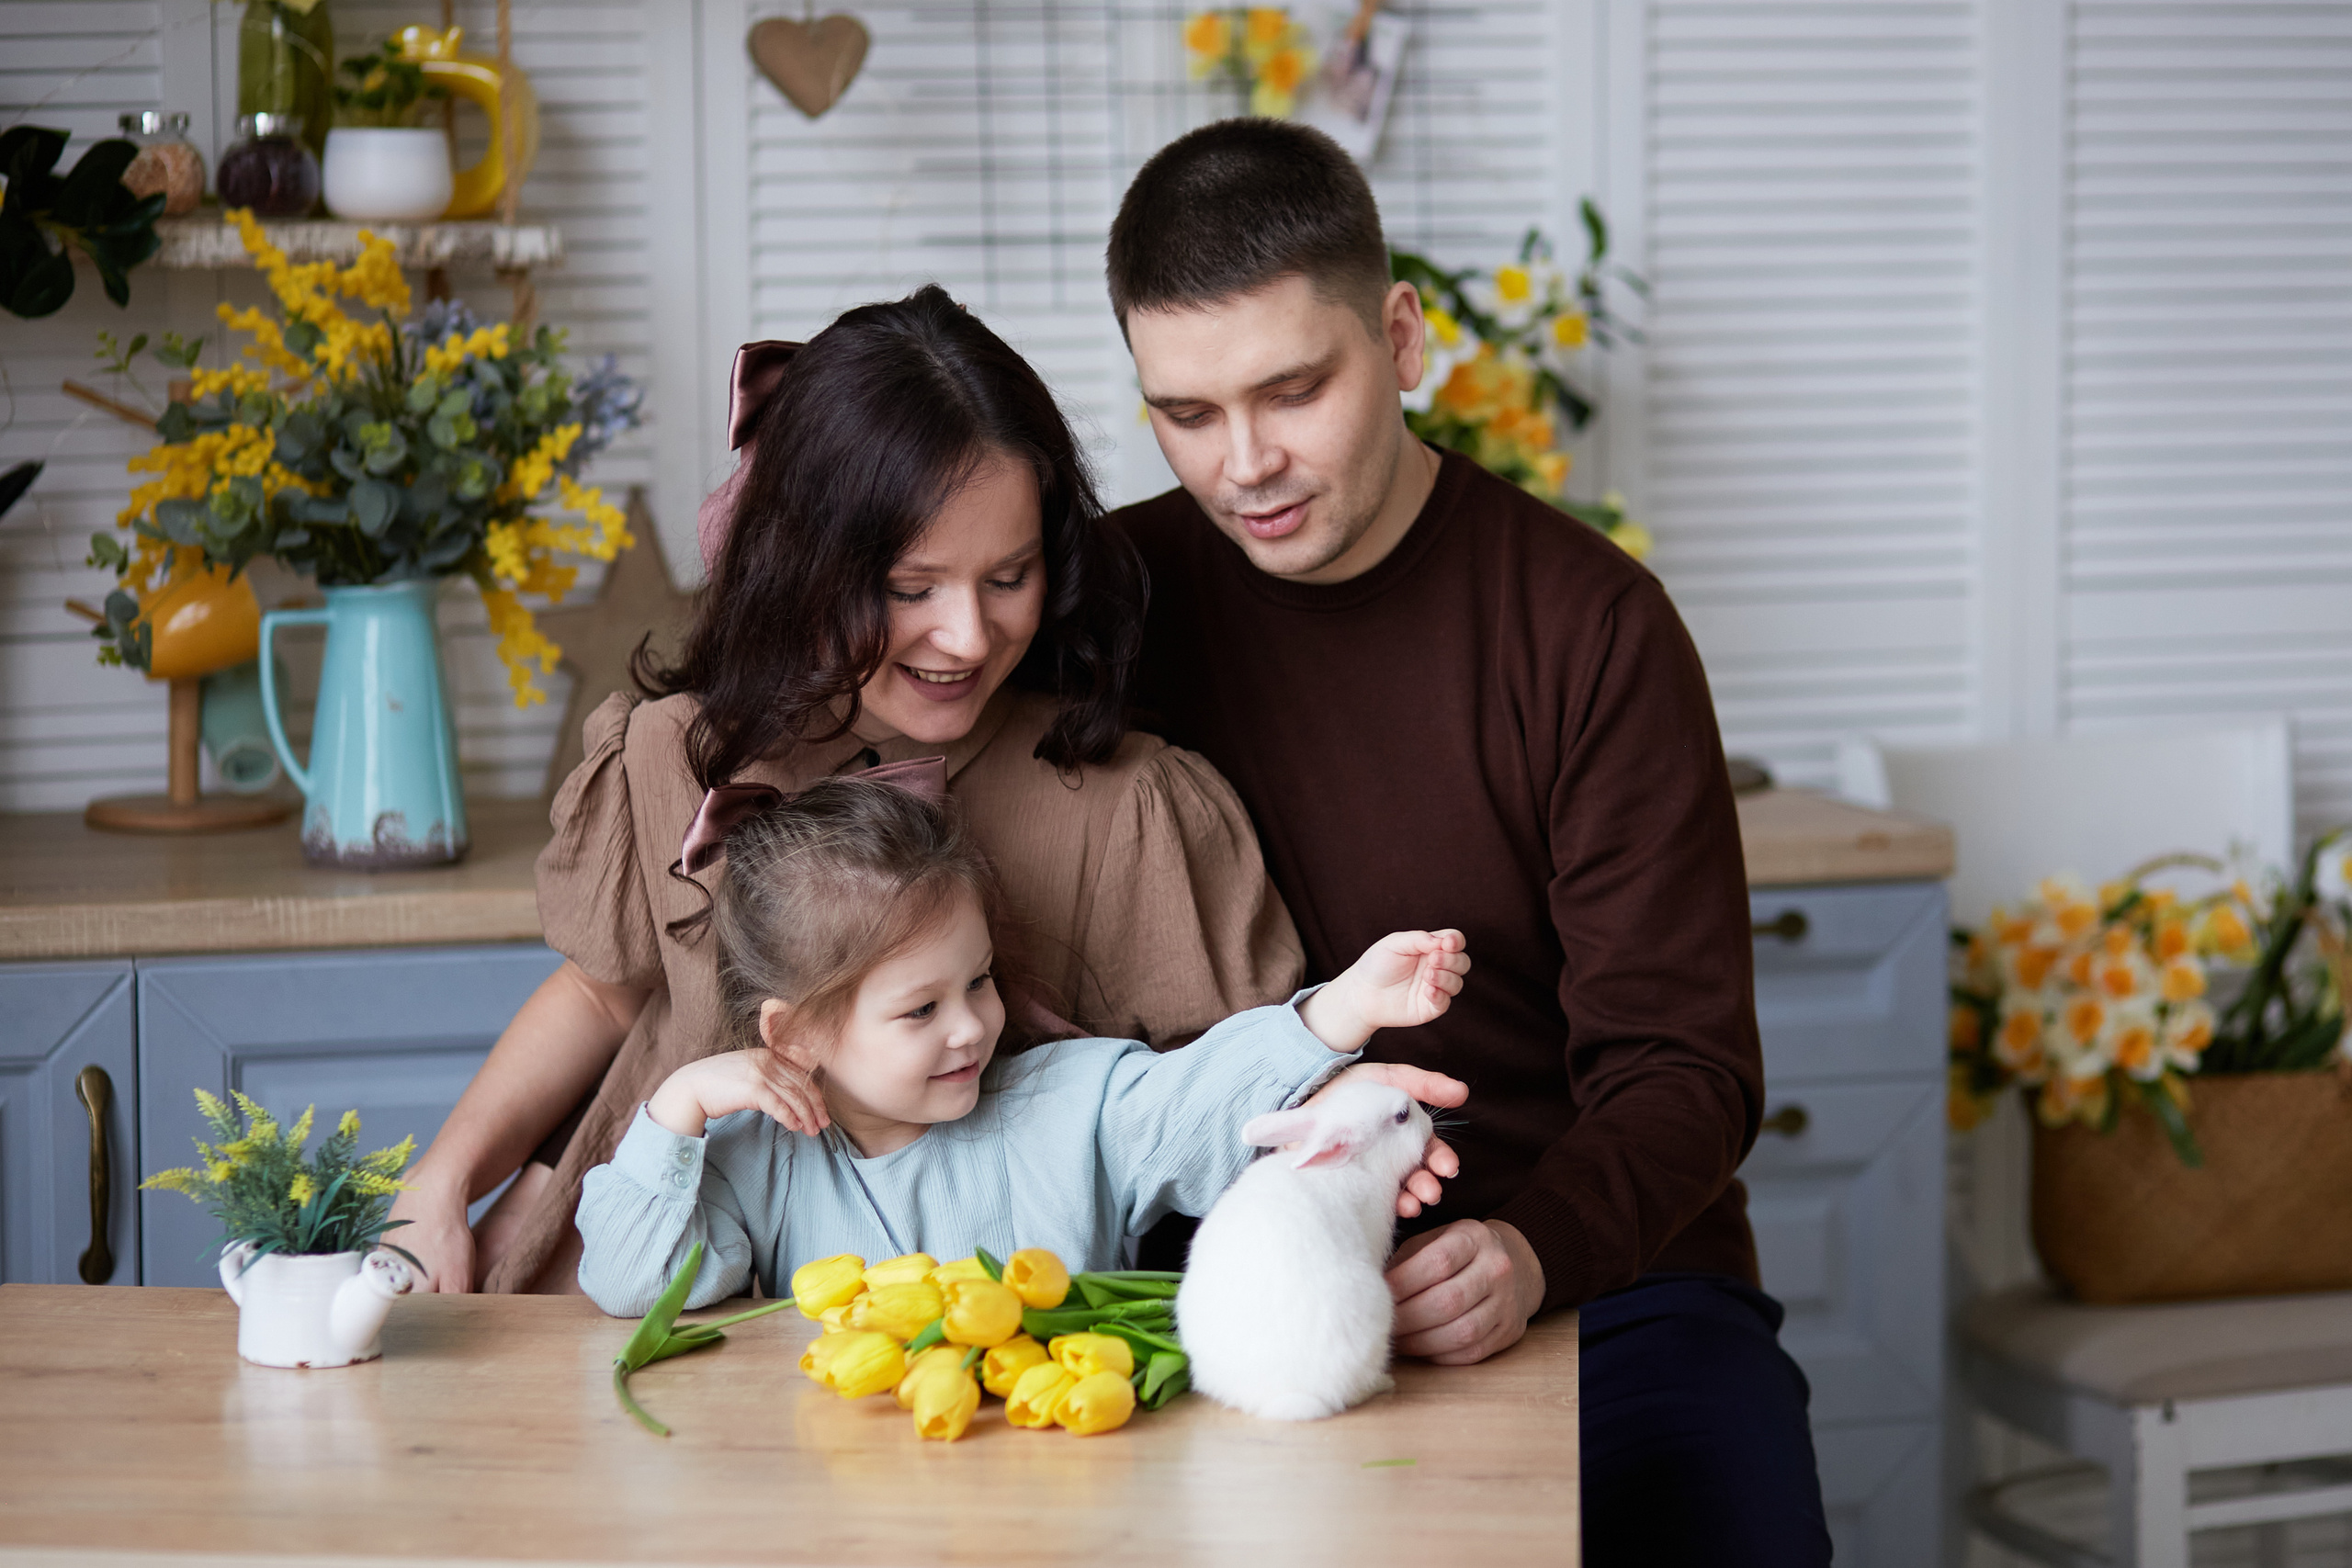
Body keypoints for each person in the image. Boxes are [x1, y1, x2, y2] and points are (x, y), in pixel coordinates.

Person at [1102, 120, 1832, 1563]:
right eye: (1185, 413)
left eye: (1293, 389)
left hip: (1601, 1278)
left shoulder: (1591, 628)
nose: (1245, 464)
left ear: (1402, 335)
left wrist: (1529, 1251)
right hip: (1230, 1288)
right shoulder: (1104, 606)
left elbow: (1684, 1066)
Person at [390, 286, 1329, 1296]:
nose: (968, 638)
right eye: (911, 590)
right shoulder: (673, 751)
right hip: (653, 1286)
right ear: (803, 567)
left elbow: (1235, 1108)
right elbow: (599, 992)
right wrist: (442, 1181)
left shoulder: (1122, 809)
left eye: (1008, 577)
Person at [576, 773, 1469, 1313]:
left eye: (979, 980)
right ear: (797, 1034)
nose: (971, 1025)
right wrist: (678, 1106)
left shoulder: (1072, 1104)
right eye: (919, 1011)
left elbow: (1201, 1101)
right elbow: (632, 1281)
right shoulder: (748, 1166)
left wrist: (1343, 1010)